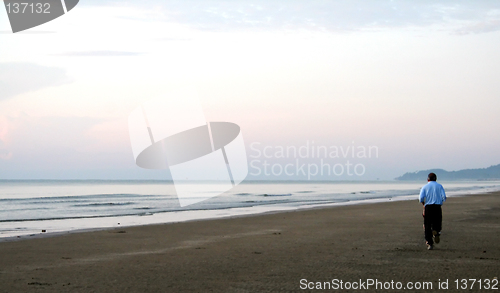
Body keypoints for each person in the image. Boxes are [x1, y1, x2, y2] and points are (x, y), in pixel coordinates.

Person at [419, 172, 446, 250]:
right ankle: (436, 231)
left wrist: (424, 204)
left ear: (428, 179)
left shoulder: (425, 187)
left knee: (427, 225)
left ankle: (429, 242)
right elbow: (444, 197)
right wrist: (440, 201)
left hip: (428, 207)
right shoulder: (439, 186)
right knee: (437, 222)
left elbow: (421, 198)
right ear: (436, 179)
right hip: (437, 206)